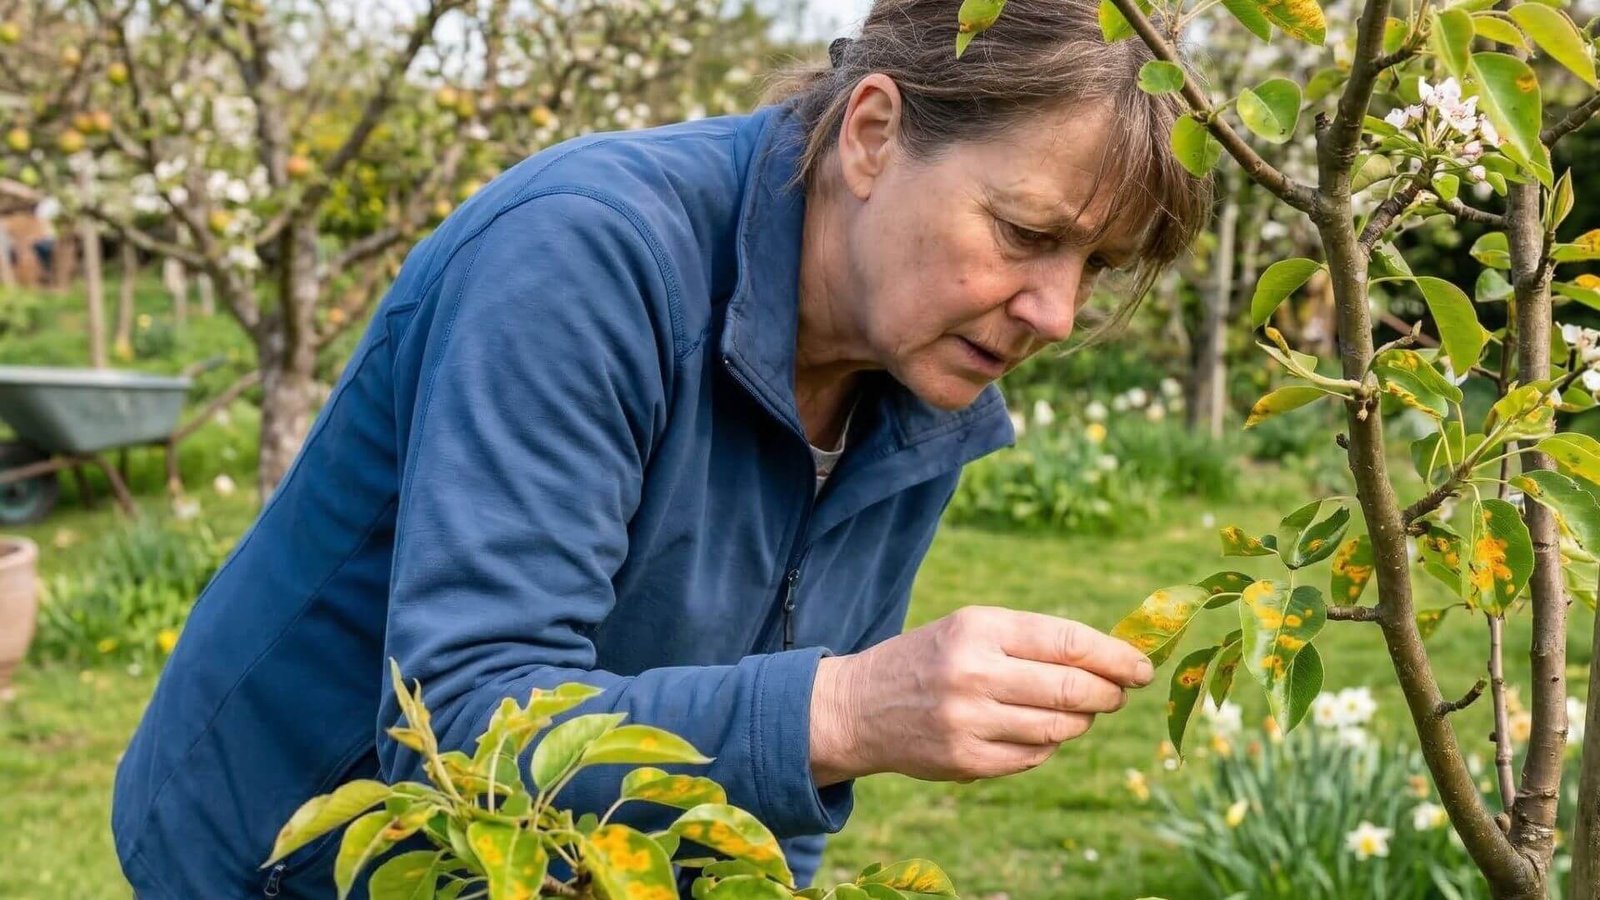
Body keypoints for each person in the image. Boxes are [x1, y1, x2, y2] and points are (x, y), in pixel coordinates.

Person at [111, 0, 1210, 895]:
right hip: (286, 855)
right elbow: (462, 724)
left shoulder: (922, 368)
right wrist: (851, 707)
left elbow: (778, 769)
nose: (1056, 313)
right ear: (873, 132)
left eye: (1097, 267)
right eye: (1027, 234)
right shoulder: (584, 258)